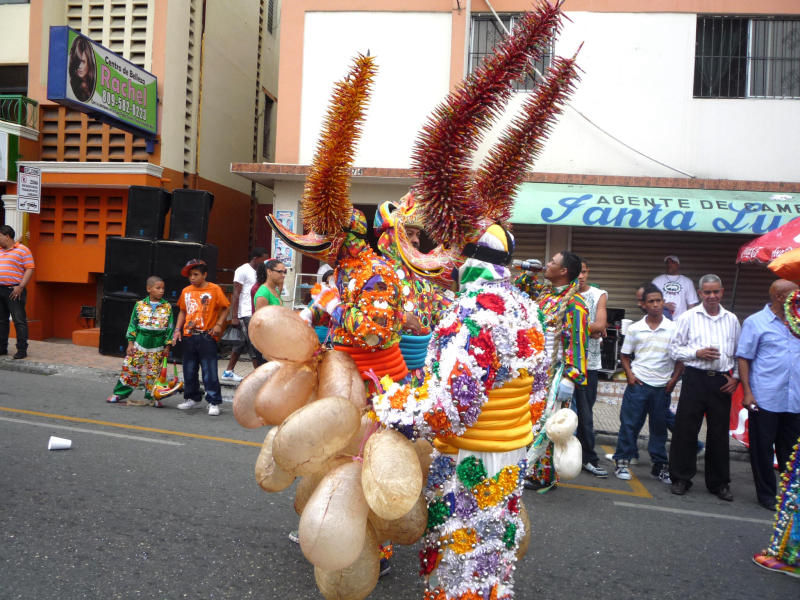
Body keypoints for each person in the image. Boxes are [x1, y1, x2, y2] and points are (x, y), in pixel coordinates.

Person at [518, 250, 600, 483]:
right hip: (535, 373)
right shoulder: (545, 294)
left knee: (549, 424)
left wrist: (569, 378)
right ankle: (528, 469)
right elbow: (520, 291)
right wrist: (528, 273)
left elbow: (578, 344)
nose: (547, 264)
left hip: (555, 375)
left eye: (552, 262)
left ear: (563, 271)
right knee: (531, 421)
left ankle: (542, 476)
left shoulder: (576, 304)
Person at [668, 274, 740, 500]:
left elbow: (739, 354)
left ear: (722, 292)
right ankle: (681, 478)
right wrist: (696, 353)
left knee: (719, 433)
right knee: (686, 429)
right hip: (695, 378)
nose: (711, 296)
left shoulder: (731, 319)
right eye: (707, 292)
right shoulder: (688, 317)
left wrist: (735, 377)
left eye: (715, 292)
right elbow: (673, 349)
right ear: (699, 294)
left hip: (721, 381)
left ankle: (719, 483)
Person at [736, 279, 800, 510]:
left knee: (791, 453)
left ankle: (790, 495)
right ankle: (766, 494)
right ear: (779, 297)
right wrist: (748, 393)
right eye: (794, 294)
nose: (798, 297)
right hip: (765, 398)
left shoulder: (798, 321)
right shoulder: (756, 322)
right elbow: (744, 357)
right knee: (762, 450)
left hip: (794, 400)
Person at [613, 284, 682, 483]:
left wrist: (673, 380)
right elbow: (625, 355)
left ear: (663, 302)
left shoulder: (674, 329)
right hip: (638, 386)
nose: (655, 305)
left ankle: (659, 466)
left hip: (662, 388)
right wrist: (630, 376)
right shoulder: (635, 329)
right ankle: (622, 462)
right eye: (651, 301)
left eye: (658, 301)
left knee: (659, 428)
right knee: (630, 424)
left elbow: (680, 360)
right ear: (643, 304)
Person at [172, 259, 230, 416]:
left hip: (207, 336)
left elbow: (225, 307)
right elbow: (182, 311)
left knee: (209, 370)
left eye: (196, 274)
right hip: (189, 335)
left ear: (205, 275)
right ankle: (192, 397)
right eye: (190, 275)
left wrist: (218, 324)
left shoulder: (214, 289)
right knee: (189, 369)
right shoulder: (186, 291)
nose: (192, 278)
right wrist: (177, 330)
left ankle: (213, 401)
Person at [106, 276, 174, 406]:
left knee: (154, 373)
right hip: (139, 344)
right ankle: (119, 394)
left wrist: (167, 346)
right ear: (149, 289)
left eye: (163, 288)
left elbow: (170, 327)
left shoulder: (167, 307)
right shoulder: (139, 305)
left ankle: (154, 397)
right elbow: (133, 324)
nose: (161, 291)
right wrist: (130, 343)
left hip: (158, 346)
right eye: (158, 288)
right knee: (130, 369)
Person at [221, 247, 268, 383]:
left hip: (255, 311)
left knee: (241, 344)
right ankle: (259, 376)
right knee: (253, 344)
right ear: (255, 258)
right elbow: (236, 293)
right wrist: (235, 316)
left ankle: (228, 371)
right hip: (245, 312)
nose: (264, 262)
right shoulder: (242, 270)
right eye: (263, 259)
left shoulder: (261, 272)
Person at [0, 225, 35, 360]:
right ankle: (2, 347)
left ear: (7, 236)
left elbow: (30, 268)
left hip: (14, 290)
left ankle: (21, 349)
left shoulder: (23, 250)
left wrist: (20, 286)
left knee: (19, 320)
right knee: (2, 321)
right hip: (0, 289)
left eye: (0, 236)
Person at [652, 255, 698, 320]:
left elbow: (692, 304)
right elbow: (650, 301)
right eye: (667, 263)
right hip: (661, 321)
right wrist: (663, 305)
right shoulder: (657, 281)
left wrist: (688, 320)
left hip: (680, 321)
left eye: (672, 262)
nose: (669, 264)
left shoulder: (687, 282)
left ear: (678, 265)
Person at [68, 36, 96, 102]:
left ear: (89, 62)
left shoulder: (93, 85)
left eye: (83, 62)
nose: (79, 66)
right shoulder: (72, 86)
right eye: (77, 61)